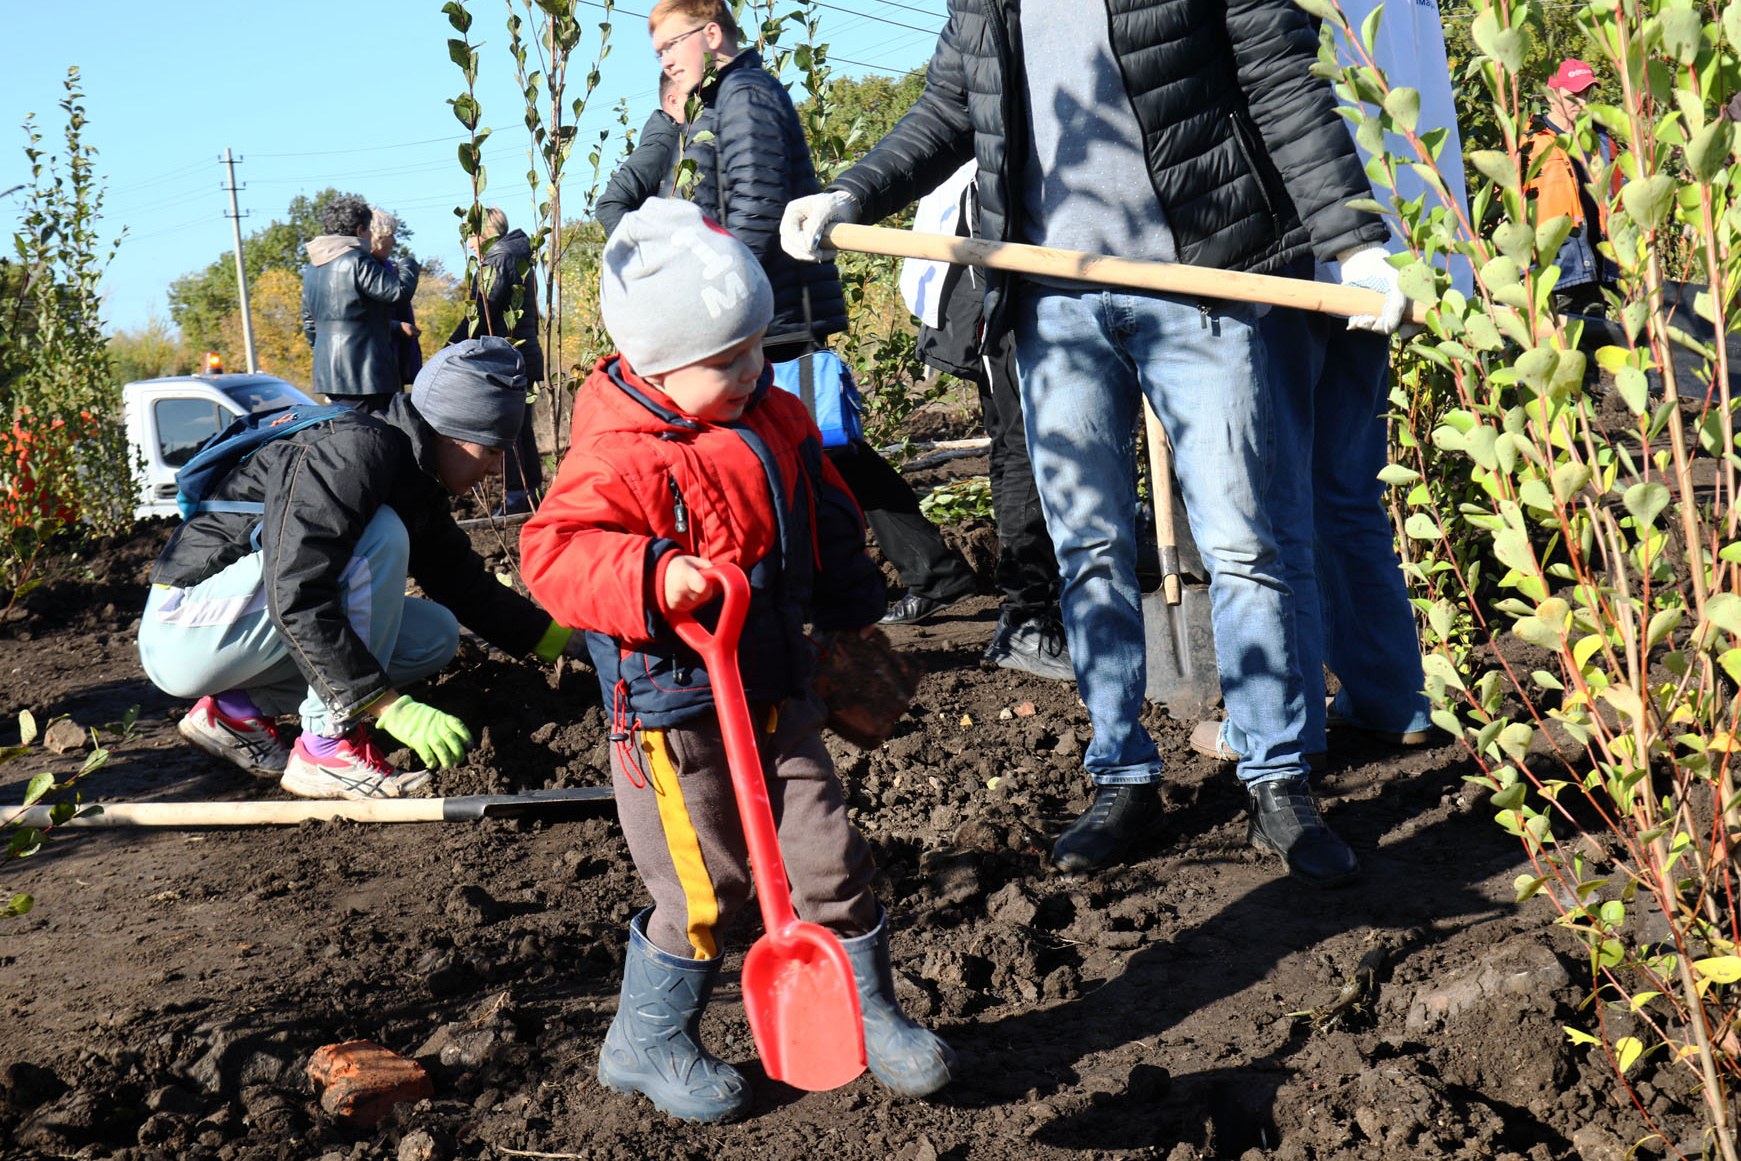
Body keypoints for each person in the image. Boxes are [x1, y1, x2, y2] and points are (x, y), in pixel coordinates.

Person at [781, 0, 1404, 883]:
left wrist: (1351, 236)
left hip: (1203, 277)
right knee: (1090, 551)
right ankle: (1122, 771)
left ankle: (1276, 775)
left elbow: (1279, 78)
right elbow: (949, 109)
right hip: (1052, 299)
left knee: (1242, 541)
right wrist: (853, 188)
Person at [520, 199, 955, 1122]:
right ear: (653, 362)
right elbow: (552, 555)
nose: (751, 369)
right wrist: (650, 572)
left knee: (830, 856)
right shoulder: (615, 453)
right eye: (726, 358)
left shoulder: (774, 412)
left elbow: (823, 508)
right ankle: (645, 1039)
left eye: (758, 347)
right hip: (672, 715)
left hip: (774, 687)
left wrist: (848, 602)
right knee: (702, 887)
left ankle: (868, 1009)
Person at [1191, 0, 1461, 772]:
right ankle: (1390, 697)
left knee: (1275, 502)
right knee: (1344, 491)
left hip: (1286, 245)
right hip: (1392, 246)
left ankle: (1284, 723)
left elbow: (1265, 86)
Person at [137, 338, 579, 801]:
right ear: (452, 432)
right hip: (182, 631)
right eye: (491, 450)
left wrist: (563, 641)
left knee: (433, 636)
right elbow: (297, 595)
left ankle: (236, 710)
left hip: (233, 623)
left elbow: (460, 580)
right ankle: (326, 748)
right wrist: (385, 706)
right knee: (382, 533)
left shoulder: (413, 471)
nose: (495, 468)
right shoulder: (351, 454)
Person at [653, 0, 978, 624]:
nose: (665, 61)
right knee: (817, 446)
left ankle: (840, 589)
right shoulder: (726, 99)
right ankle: (927, 572)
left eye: (671, 45)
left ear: (711, 34)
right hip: (767, 298)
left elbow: (758, 205)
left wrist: (722, 299)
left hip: (766, 301)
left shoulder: (744, 96)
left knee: (813, 445)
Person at [901, 161, 1070, 679]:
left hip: (998, 299)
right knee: (1025, 449)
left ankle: (1040, 607)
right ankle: (1026, 620)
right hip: (1002, 303)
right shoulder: (995, 162)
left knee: (1018, 449)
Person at [449, 208, 545, 515]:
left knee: (508, 430)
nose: (471, 244)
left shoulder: (500, 258)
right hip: (524, 353)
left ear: (486, 232)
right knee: (522, 429)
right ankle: (531, 494)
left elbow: (484, 308)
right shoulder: (517, 254)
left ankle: (516, 497)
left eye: (472, 235)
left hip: (507, 356)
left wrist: (452, 346)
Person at [301, 195, 419, 411]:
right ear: (359, 231)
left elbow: (310, 325)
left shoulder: (312, 267)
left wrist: (327, 353)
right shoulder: (357, 260)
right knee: (377, 436)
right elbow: (398, 292)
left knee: (349, 435)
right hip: (367, 374)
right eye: (367, 231)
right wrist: (408, 265)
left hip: (329, 375)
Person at [1525, 59, 1622, 317]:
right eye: (1573, 96)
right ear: (1551, 97)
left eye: (1586, 93)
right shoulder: (1530, 143)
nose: (1582, 102)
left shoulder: (1602, 140)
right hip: (1558, 271)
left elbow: (1619, 199)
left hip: (1601, 268)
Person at [595, 73, 689, 238]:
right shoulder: (663, 144)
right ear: (674, 101)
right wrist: (646, 256)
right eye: (695, 94)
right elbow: (609, 205)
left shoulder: (680, 141)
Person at [368, 208, 423, 388]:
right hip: (375, 368)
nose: (394, 241)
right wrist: (396, 327)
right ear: (377, 236)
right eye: (390, 235)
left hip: (392, 364)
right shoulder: (367, 271)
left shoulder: (386, 268)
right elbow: (361, 318)